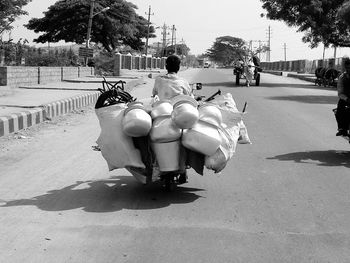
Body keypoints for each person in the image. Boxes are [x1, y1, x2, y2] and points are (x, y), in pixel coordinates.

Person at [152, 54, 192, 184]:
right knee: (186, 137)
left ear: (166, 66)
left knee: (151, 135)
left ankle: (155, 165)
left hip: (162, 115)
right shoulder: (183, 82)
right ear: (179, 67)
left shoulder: (159, 80)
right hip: (179, 116)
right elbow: (190, 97)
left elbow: (154, 95)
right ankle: (184, 171)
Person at [335, 57, 350, 137]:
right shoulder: (342, 77)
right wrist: (346, 99)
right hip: (346, 98)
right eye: (347, 68)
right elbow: (340, 92)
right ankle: (342, 128)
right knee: (339, 111)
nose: (349, 69)